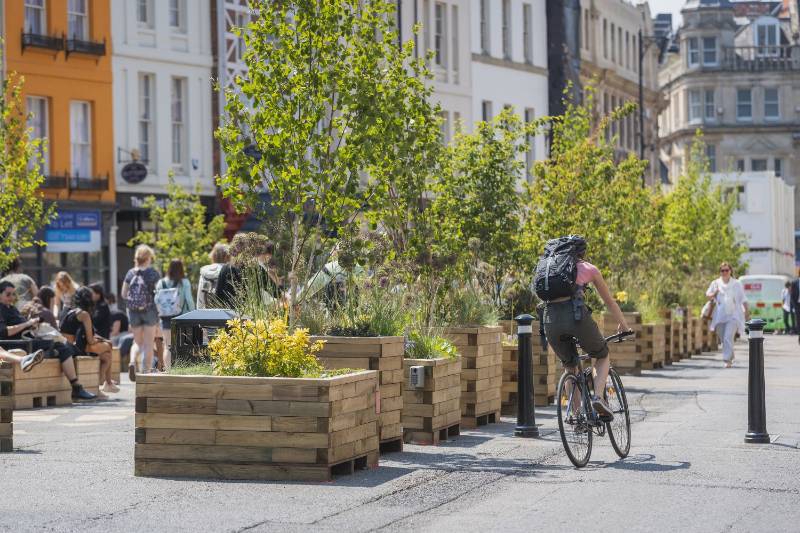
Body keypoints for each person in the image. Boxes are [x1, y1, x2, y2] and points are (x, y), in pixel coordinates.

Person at [540, 237, 631, 419]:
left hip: (549, 320)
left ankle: (576, 417)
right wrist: (624, 324)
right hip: (575, 317)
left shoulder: (549, 269)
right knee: (601, 354)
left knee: (569, 366)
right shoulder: (589, 268)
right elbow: (610, 302)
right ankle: (598, 398)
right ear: (582, 253)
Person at [0, 281, 95, 400]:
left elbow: (20, 326)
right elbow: (4, 332)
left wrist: (32, 325)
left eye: (14, 294)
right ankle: (76, 387)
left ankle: (76, 387)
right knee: (60, 346)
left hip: (27, 339)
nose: (12, 298)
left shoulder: (11, 308)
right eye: (8, 294)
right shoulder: (1, 309)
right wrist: (27, 323)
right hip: (17, 343)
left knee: (64, 347)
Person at [59, 287, 116, 395]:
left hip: (65, 346)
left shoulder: (69, 310)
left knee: (107, 357)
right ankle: (104, 385)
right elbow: (90, 340)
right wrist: (101, 341)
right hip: (72, 349)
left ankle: (101, 387)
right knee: (109, 346)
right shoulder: (84, 314)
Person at [121, 245, 160, 381]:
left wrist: (133, 304)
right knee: (149, 343)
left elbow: (124, 294)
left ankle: (132, 362)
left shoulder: (130, 273)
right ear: (148, 258)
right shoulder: (153, 273)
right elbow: (159, 295)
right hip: (150, 311)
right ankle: (145, 373)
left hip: (133, 311)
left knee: (137, 342)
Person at [215, 233, 280, 308]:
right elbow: (275, 292)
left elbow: (218, 296)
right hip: (252, 316)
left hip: (229, 316)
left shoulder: (225, 268)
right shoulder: (256, 268)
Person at [706, 262, 748, 368]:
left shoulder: (736, 284)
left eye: (726, 270)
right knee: (723, 338)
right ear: (720, 272)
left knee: (728, 337)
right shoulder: (715, 283)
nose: (724, 272)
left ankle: (727, 360)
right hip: (719, 316)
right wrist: (715, 293)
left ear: (730, 271)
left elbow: (743, 298)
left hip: (733, 316)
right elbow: (708, 295)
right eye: (722, 270)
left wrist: (747, 312)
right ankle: (730, 354)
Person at [155, 259, 195, 371]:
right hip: (181, 318)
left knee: (168, 346)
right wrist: (193, 314)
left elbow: (156, 300)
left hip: (166, 318)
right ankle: (182, 370)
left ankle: (168, 371)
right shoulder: (184, 282)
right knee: (182, 345)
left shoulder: (161, 283)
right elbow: (189, 300)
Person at [197, 243, 230, 309]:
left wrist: (200, 312)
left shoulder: (205, 271)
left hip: (208, 311)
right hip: (227, 312)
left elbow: (200, 296)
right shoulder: (229, 270)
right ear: (227, 256)